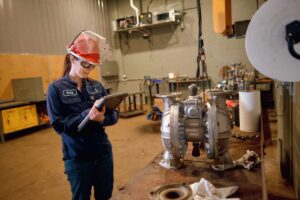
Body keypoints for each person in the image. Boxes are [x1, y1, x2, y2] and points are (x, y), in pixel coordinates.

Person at [46, 30, 118, 200]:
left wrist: (102, 119)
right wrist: (86, 114)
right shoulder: (56, 89)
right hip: (78, 159)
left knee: (105, 196)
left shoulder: (97, 86)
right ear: (72, 59)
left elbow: (114, 116)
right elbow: (59, 125)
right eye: (86, 64)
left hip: (103, 154)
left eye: (93, 65)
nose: (90, 69)